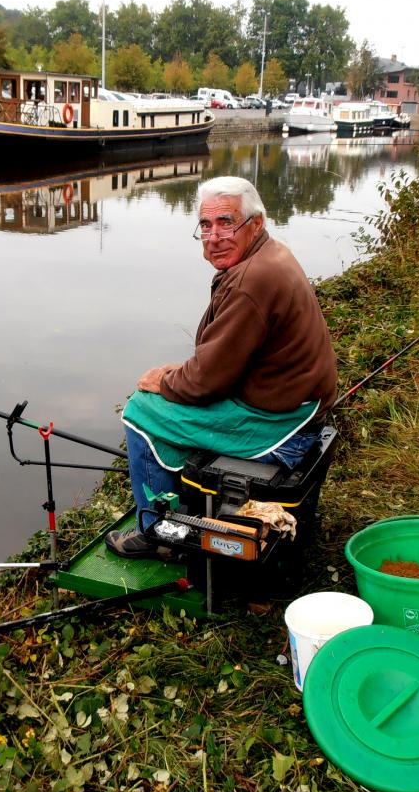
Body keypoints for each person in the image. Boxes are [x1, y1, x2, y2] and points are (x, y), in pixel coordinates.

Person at [107, 176, 338, 558]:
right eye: (205, 225)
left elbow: (203, 383)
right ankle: (179, 518)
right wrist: (177, 377)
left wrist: (163, 381)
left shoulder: (252, 281)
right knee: (165, 400)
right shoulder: (270, 255)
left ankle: (157, 532)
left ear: (256, 223)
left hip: (282, 426)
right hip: (295, 404)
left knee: (140, 410)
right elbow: (220, 362)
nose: (214, 236)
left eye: (226, 222)